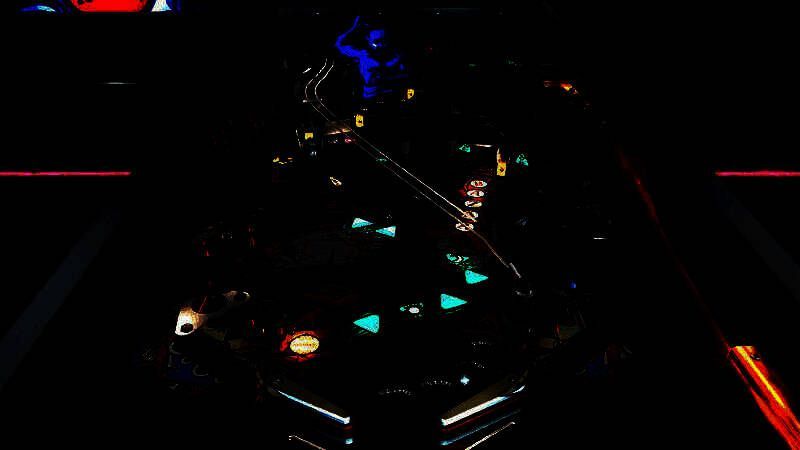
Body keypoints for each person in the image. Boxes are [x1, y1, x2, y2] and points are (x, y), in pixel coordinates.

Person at [335, 16, 406, 100]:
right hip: (371, 98)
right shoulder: (364, 55)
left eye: (384, 41)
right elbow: (340, 44)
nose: (381, 45)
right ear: (368, 39)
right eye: (377, 41)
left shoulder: (396, 55)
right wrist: (353, 27)